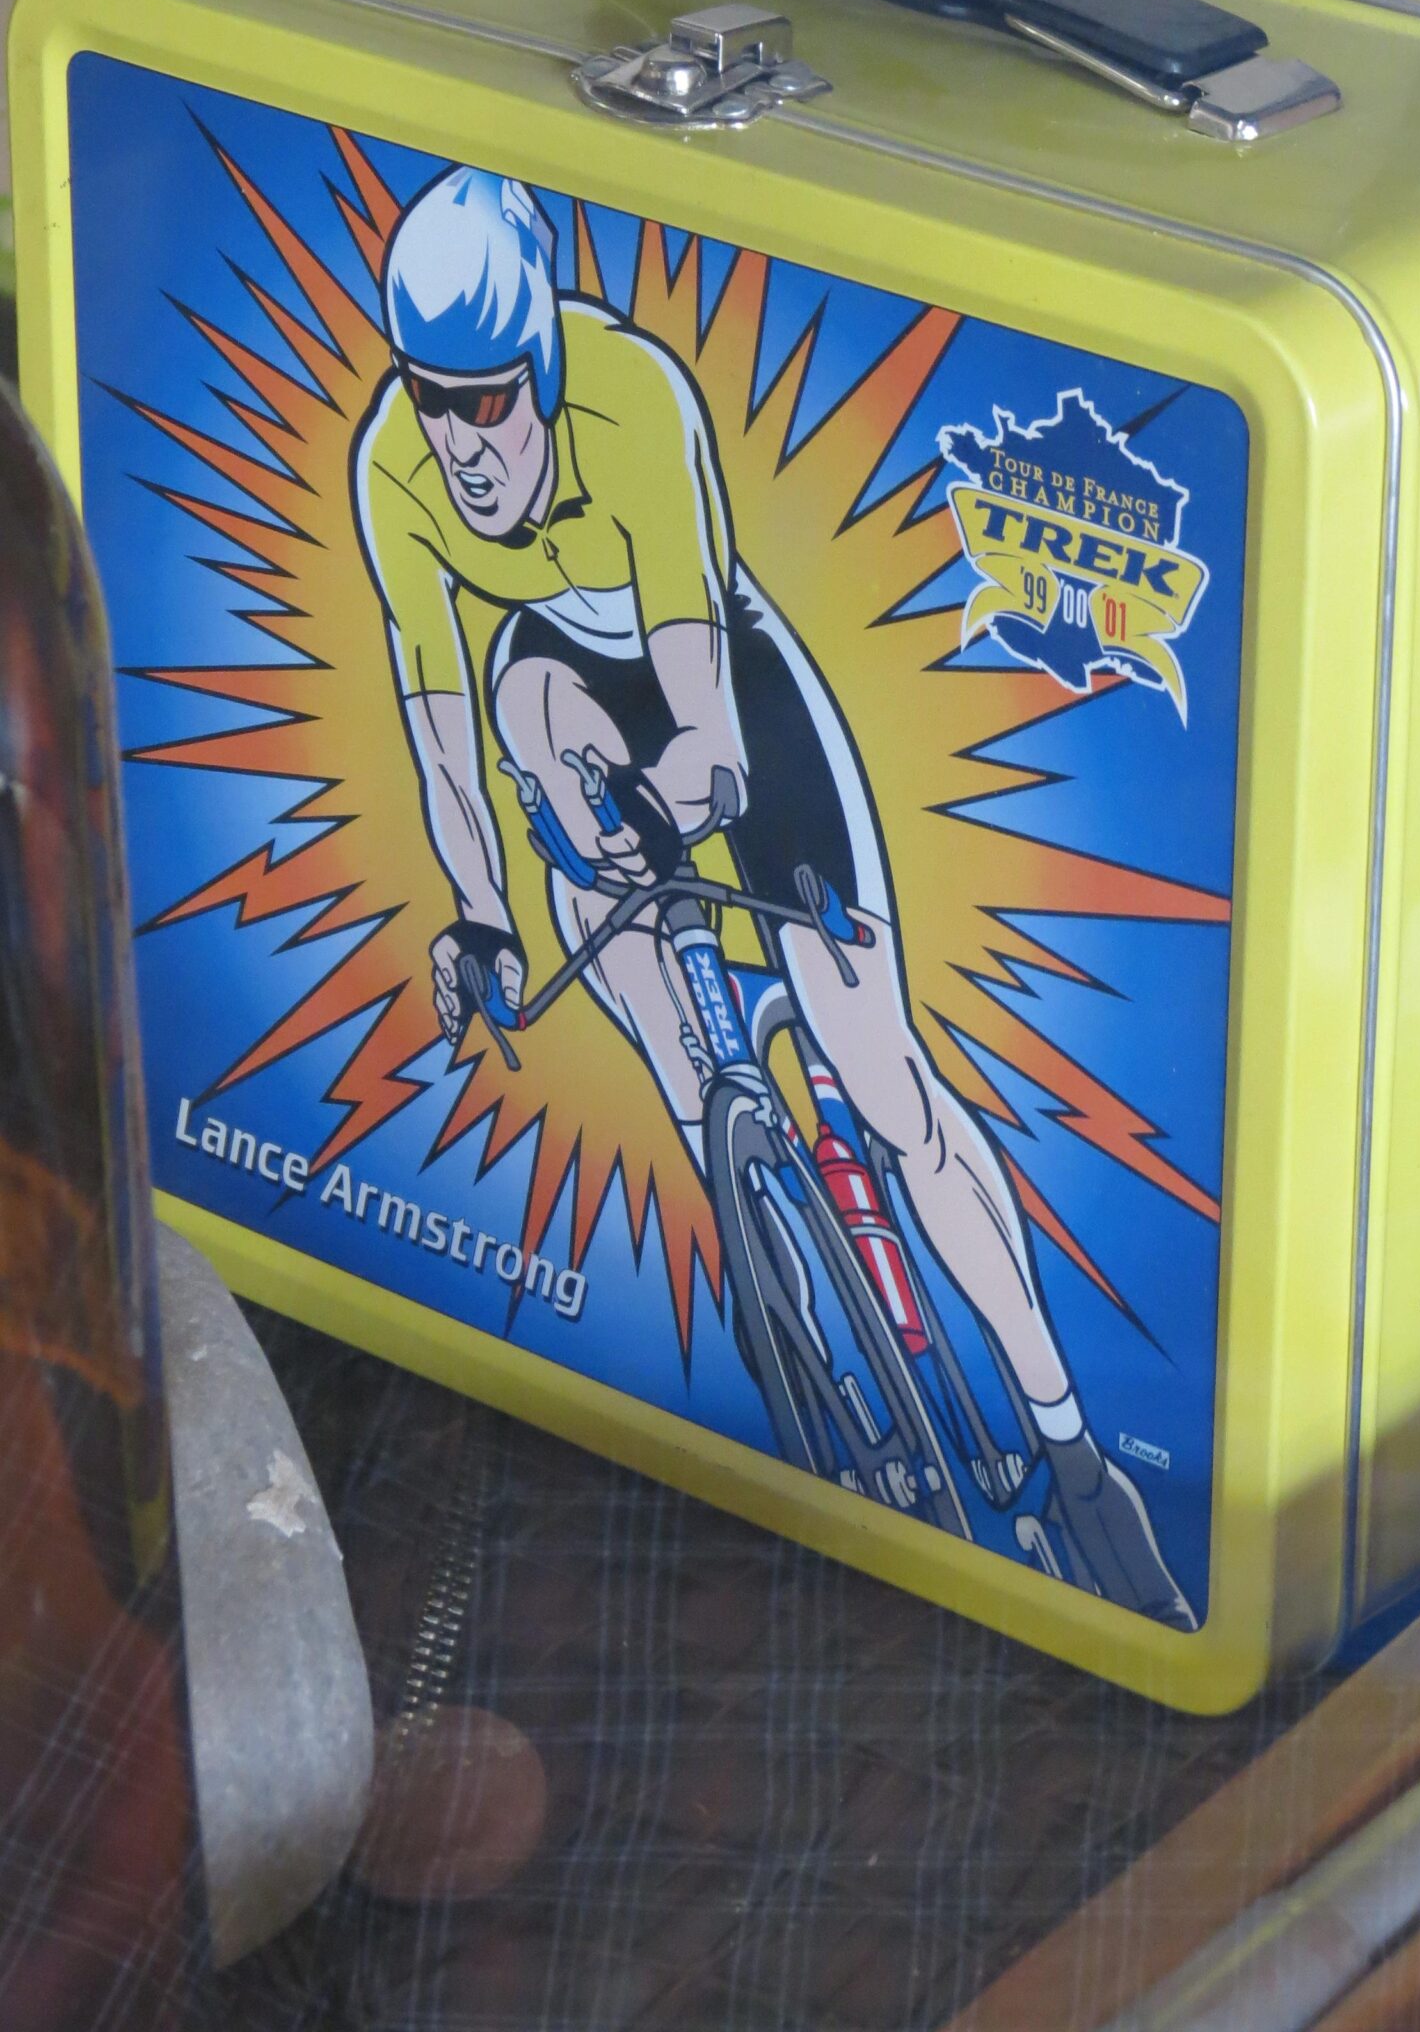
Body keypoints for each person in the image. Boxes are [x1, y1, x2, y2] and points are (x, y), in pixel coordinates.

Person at [351, 165, 1194, 1627]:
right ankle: (779, 1297)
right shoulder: (397, 474)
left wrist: (685, 809)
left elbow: (709, 718)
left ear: (542, 376)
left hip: (723, 678)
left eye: (487, 403)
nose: (458, 440)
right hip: (563, 684)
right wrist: (489, 918)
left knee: (889, 1087)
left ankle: (1069, 1455)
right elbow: (443, 745)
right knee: (535, 712)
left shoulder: (630, 400)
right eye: (431, 397)